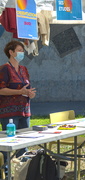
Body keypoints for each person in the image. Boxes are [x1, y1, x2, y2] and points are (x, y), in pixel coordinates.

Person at [0, 40, 36, 172]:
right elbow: (1, 89)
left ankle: (23, 171)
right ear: (11, 52)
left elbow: (27, 88)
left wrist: (30, 94)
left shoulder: (24, 69)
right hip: (8, 113)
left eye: (23, 50)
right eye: (19, 50)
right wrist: (20, 92)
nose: (22, 53)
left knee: (24, 143)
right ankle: (6, 171)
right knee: (8, 143)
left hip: (24, 110)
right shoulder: (4, 69)